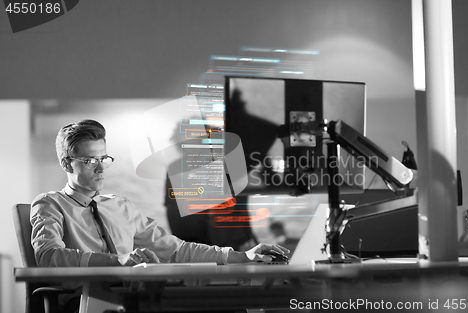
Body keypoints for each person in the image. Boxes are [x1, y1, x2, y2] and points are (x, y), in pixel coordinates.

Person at [31, 119, 288, 310]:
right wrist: (118, 261)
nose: (100, 168)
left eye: (104, 158)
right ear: (67, 163)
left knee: (227, 305)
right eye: (89, 161)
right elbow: (48, 257)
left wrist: (242, 256)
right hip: (87, 301)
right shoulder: (49, 204)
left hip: (135, 299)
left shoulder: (121, 206)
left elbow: (174, 250)